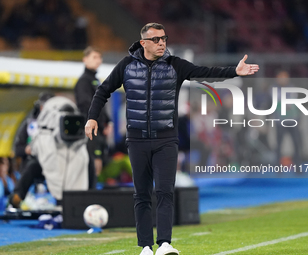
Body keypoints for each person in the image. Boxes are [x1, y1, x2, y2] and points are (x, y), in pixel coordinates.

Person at [85, 23, 259, 255]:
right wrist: (92, 118)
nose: (161, 43)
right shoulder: (126, 66)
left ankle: (164, 244)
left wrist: (233, 72)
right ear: (143, 43)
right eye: (156, 40)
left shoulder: (175, 65)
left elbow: (204, 72)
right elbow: (103, 90)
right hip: (137, 140)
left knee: (165, 191)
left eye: (164, 38)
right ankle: (145, 247)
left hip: (166, 139)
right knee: (142, 194)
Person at [74, 46, 112, 188]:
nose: (98, 60)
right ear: (85, 60)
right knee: (92, 167)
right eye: (94, 57)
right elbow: (86, 106)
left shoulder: (95, 81)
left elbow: (101, 104)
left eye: (99, 57)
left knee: (97, 169)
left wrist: (108, 121)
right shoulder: (84, 81)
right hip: (91, 133)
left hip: (99, 132)